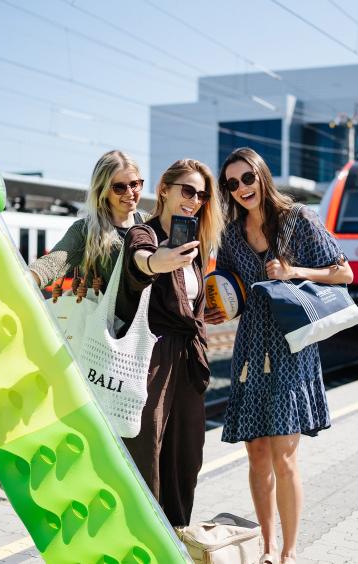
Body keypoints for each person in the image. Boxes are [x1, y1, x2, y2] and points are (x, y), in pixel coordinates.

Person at [206, 147, 353, 564]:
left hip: (291, 346)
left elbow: (344, 273)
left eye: (247, 178)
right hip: (251, 346)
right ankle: (267, 546)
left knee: (284, 454)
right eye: (231, 184)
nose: (241, 189)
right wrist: (217, 302)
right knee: (255, 451)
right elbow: (230, 286)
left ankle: (289, 553)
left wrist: (294, 272)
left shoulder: (298, 220)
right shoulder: (232, 234)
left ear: (261, 175)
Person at [118, 159, 224, 527]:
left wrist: (208, 312)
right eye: (188, 191)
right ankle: (143, 536)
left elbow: (190, 300)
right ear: (164, 189)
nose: (195, 201)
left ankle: (175, 534)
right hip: (153, 356)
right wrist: (159, 261)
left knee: (186, 453)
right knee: (148, 450)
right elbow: (141, 259)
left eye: (202, 195)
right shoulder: (143, 233)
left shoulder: (194, 245)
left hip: (187, 359)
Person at [28, 150, 147, 295]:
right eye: (119, 187)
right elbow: (52, 264)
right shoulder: (85, 230)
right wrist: (23, 280)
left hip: (148, 318)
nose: (129, 193)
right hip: (106, 317)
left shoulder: (151, 224)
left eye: (134, 184)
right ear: (102, 190)